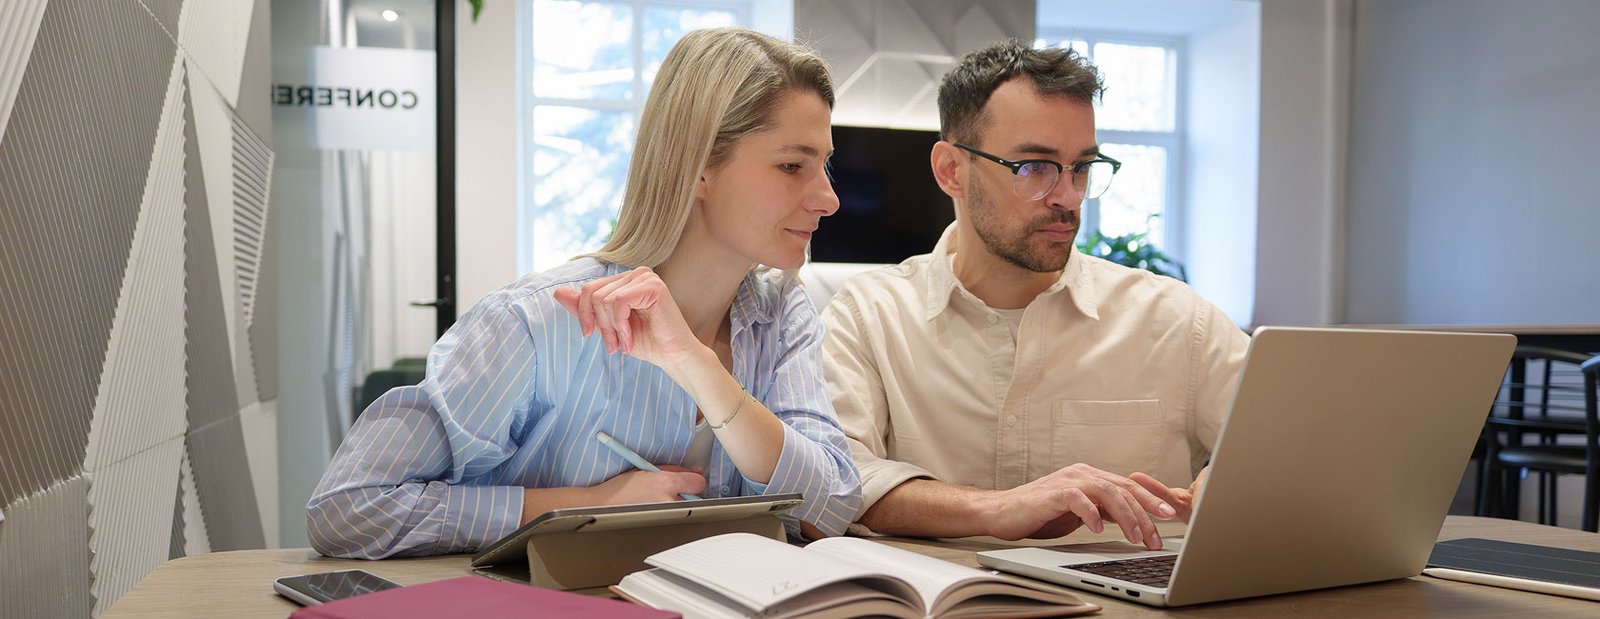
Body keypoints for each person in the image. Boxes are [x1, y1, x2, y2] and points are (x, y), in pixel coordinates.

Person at [307, 27, 861, 559]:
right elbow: (348, 507)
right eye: (792, 165)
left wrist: (699, 368)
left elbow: (834, 505)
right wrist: (584, 507)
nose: (829, 199)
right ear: (698, 167)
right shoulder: (536, 321)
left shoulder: (784, 316)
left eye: (824, 166)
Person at [822, 41, 1248, 549]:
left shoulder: (1175, 319)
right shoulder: (870, 314)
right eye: (1034, 167)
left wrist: (1239, 478)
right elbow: (833, 482)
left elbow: (1296, 440)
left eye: (1082, 167)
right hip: (938, 591)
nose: (1068, 196)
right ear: (951, 170)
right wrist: (996, 509)